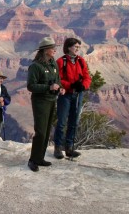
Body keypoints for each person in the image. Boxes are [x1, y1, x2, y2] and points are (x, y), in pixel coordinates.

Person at [27, 37, 65, 172]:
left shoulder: (53, 63)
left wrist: (59, 87)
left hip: (51, 100)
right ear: (45, 50)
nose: (55, 50)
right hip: (40, 101)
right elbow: (31, 86)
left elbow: (57, 80)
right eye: (52, 48)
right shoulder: (35, 66)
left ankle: (40, 158)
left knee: (47, 131)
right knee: (41, 132)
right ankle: (32, 160)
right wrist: (49, 87)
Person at [53, 38, 92, 159]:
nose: (77, 49)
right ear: (69, 47)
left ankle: (69, 147)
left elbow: (87, 77)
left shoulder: (81, 61)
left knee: (74, 122)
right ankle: (58, 148)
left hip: (78, 95)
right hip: (66, 95)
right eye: (76, 47)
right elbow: (58, 79)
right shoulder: (61, 61)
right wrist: (70, 85)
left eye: (78, 47)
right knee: (62, 122)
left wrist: (83, 85)